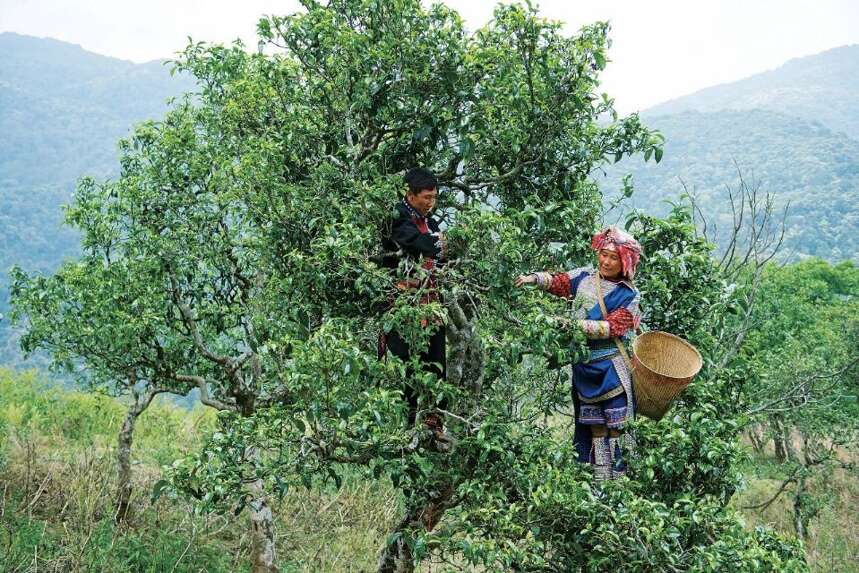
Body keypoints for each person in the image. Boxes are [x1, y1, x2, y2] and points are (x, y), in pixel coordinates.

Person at [515, 227, 643, 480]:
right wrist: (532, 279)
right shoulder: (584, 277)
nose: (606, 261)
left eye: (613, 257)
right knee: (594, 426)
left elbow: (610, 328)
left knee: (617, 426)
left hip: (611, 369)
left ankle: (619, 483)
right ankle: (598, 480)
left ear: (624, 262)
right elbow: (559, 282)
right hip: (584, 366)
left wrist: (568, 326)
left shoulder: (630, 295)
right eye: (603, 254)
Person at [379, 167, 448, 439]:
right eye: (426, 197)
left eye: (435, 197)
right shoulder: (397, 217)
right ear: (410, 194)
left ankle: (434, 426)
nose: (431, 203)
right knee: (406, 367)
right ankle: (404, 429)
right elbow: (418, 244)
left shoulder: (429, 222)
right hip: (403, 306)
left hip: (432, 305)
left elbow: (439, 252)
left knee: (436, 365)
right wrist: (437, 244)